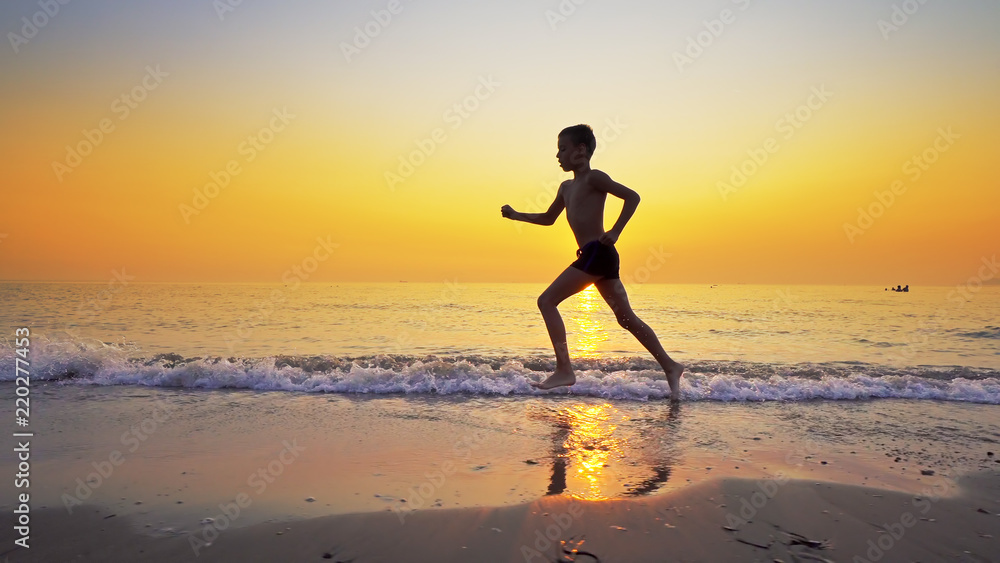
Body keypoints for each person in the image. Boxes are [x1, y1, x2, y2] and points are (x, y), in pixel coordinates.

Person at [501, 124, 684, 401]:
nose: (558, 155)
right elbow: (549, 219)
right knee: (626, 319)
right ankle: (671, 366)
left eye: (563, 148)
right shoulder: (565, 188)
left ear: (581, 150)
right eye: (558, 149)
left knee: (546, 301)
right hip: (595, 256)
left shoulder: (594, 178)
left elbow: (632, 197)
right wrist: (517, 216)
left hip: (599, 252)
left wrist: (616, 230)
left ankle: (565, 369)